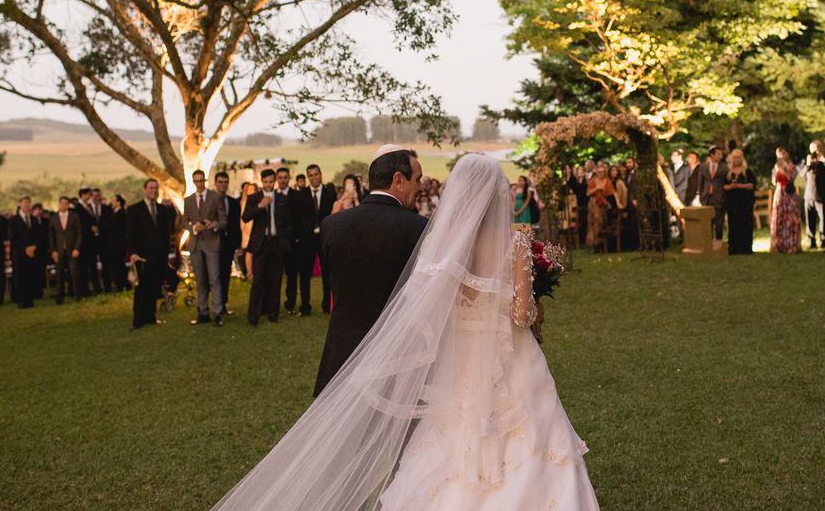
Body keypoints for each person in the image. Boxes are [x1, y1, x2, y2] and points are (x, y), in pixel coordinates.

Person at [212, 153, 599, 511]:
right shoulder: (515, 242)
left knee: (451, 437)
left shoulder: (443, 241)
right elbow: (519, 315)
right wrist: (535, 305)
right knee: (528, 437)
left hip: (461, 356)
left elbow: (425, 306)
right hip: (510, 357)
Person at [314, 145, 426, 396]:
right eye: (416, 180)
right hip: (394, 358)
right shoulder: (420, 228)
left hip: (341, 355)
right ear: (398, 180)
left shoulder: (331, 225)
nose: (419, 188)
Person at [241, 168, 293, 327]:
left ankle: (273, 314)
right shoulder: (254, 198)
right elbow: (245, 217)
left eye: (271, 182)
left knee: (276, 281)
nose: (269, 185)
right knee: (258, 281)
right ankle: (253, 316)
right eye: (266, 182)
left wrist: (285, 239)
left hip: (277, 244)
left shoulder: (282, 198)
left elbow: (288, 222)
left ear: (275, 181)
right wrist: (260, 206)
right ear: (261, 182)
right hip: (260, 245)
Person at [127, 179, 177, 328]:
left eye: (156, 188)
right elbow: (130, 234)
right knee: (141, 288)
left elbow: (165, 232)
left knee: (155, 287)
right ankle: (138, 320)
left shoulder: (162, 209)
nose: (153, 191)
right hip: (141, 256)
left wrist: (166, 252)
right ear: (144, 190)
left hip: (159, 256)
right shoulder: (135, 209)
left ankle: (151, 317)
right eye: (151, 188)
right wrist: (133, 253)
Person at [289, 164, 337, 316]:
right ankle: (304, 306)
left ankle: (326, 305)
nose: (314, 177)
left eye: (316, 174)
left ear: (320, 175)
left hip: (324, 239)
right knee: (304, 275)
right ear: (308, 177)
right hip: (306, 240)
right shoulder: (301, 194)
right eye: (311, 175)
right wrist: (298, 238)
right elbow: (296, 218)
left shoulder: (330, 193)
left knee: (327, 275)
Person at [185, 169, 227, 326]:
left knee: (214, 279)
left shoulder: (215, 197)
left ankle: (217, 312)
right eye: (196, 181)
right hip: (196, 243)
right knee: (200, 279)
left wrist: (213, 225)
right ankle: (203, 311)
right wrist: (194, 228)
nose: (199, 184)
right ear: (193, 182)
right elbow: (184, 222)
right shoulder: (188, 200)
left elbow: (223, 220)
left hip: (211, 242)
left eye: (201, 181)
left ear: (205, 181)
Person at [214, 173, 242, 314]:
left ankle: (223, 304)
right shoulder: (211, 201)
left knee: (225, 274)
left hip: (228, 244)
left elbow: (236, 224)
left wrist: (236, 243)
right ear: (215, 184)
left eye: (225, 182)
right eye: (220, 182)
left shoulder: (233, 202)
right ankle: (215, 304)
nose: (223, 184)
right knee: (214, 276)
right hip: (213, 243)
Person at [8, 195, 42, 307]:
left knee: (31, 276)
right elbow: (13, 238)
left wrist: (34, 247)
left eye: (29, 202)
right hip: (20, 253)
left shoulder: (34, 219)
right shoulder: (14, 220)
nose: (27, 205)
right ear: (20, 204)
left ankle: (30, 299)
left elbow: (39, 236)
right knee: (20, 277)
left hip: (32, 252)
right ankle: (21, 300)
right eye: (25, 202)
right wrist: (25, 248)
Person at [50, 196, 83, 304]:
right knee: (59, 275)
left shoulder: (74, 217)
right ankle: (59, 298)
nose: (63, 205)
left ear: (68, 205)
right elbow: (51, 236)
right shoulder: (53, 218)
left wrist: (77, 248)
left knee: (74, 273)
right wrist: (53, 251)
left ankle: (78, 296)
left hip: (71, 250)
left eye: (65, 203)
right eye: (61, 203)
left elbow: (79, 234)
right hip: (59, 250)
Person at [722, 149, 756, 255]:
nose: (737, 159)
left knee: (745, 223)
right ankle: (733, 247)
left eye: (738, 157)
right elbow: (724, 186)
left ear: (742, 158)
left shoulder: (747, 172)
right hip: (732, 202)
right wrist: (731, 186)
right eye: (735, 157)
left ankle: (746, 247)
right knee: (733, 224)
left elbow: (752, 185)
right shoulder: (728, 172)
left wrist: (740, 186)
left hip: (745, 202)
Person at [769, 148, 802, 254]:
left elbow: (794, 180)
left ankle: (792, 244)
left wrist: (786, 172)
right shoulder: (776, 167)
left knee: (791, 219)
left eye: (784, 153)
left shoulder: (793, 167)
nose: (782, 156)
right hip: (780, 194)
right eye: (780, 154)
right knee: (780, 218)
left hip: (790, 194)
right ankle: (779, 245)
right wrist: (779, 170)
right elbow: (774, 181)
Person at [801, 142, 825, 249]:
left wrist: (823, 159)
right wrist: (808, 164)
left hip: (822, 194)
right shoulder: (806, 161)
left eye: (818, 147)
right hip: (809, 194)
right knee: (810, 220)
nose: (816, 150)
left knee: (823, 219)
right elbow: (801, 174)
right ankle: (811, 240)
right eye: (814, 148)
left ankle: (823, 240)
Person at [697, 146, 727, 240]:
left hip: (718, 197)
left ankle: (718, 242)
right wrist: (701, 196)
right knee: (707, 222)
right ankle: (708, 244)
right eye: (718, 154)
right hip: (707, 198)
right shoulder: (703, 167)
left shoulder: (724, 167)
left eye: (721, 154)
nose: (720, 156)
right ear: (712, 155)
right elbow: (700, 182)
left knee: (719, 223)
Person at [584, 164, 615, 251]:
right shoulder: (594, 180)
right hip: (594, 204)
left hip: (603, 205)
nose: (601, 173)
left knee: (601, 222)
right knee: (593, 223)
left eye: (603, 172)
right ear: (597, 173)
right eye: (599, 172)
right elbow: (588, 193)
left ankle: (601, 244)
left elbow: (612, 192)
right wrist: (597, 188)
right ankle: (594, 244)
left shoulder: (607, 181)